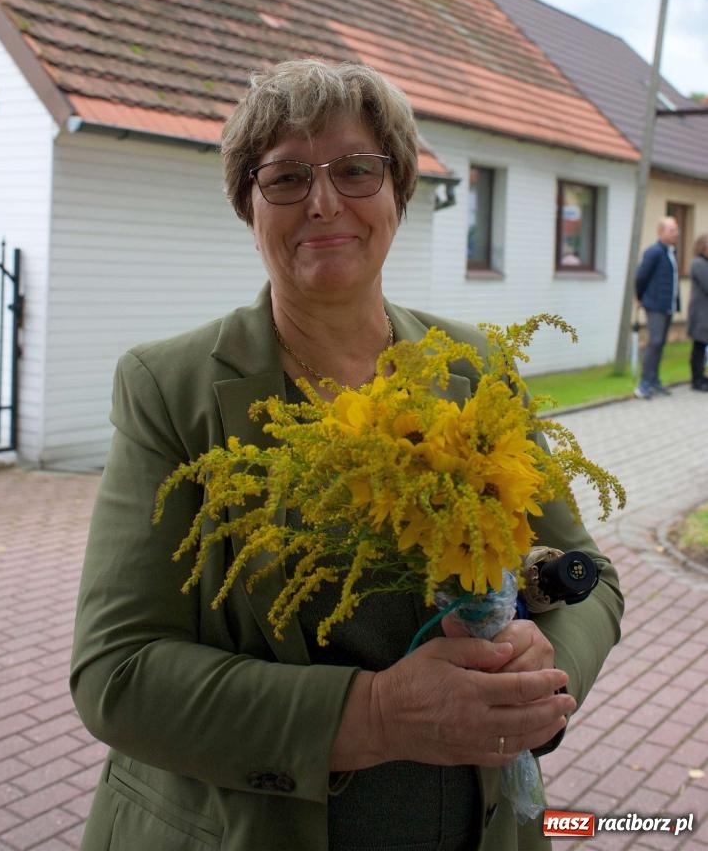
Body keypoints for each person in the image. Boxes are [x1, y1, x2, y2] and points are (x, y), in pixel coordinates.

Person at [70, 59, 623, 851]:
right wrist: (377, 715)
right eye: (286, 177)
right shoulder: (171, 389)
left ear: (397, 192)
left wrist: (540, 683)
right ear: (247, 204)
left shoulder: (473, 369)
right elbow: (118, 673)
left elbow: (588, 576)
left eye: (356, 170)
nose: (324, 202)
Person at [633, 216, 680, 399]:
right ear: (661, 232)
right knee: (654, 342)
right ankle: (644, 384)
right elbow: (641, 276)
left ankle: (654, 380)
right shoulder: (653, 252)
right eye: (672, 230)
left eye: (676, 229)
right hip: (655, 305)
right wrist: (639, 297)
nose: (676, 233)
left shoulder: (671, 252)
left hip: (667, 305)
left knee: (660, 343)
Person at [687, 233, 708, 392]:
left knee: (702, 345)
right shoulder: (699, 264)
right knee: (699, 345)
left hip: (704, 312)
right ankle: (697, 379)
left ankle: (701, 376)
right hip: (701, 313)